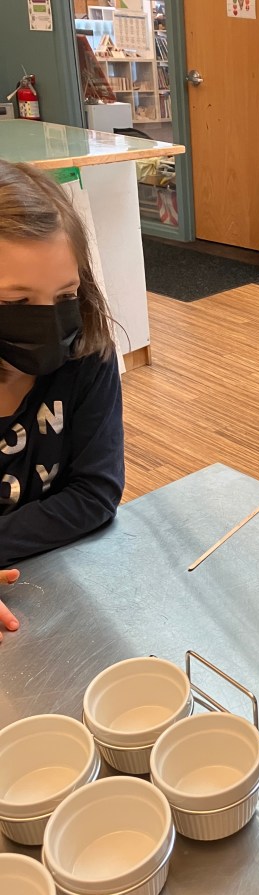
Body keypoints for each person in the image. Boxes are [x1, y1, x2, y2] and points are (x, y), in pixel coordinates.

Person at [0, 159, 124, 641]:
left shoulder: (87, 358)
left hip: (54, 591)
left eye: (65, 295)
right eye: (15, 303)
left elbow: (95, 492)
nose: (49, 323)